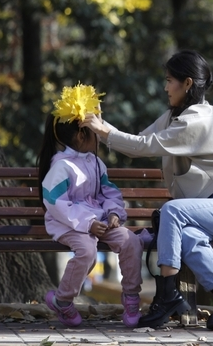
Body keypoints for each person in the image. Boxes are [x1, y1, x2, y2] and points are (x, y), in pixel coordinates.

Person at [80, 50, 213, 330]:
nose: (165, 87)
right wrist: (102, 126)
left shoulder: (198, 121)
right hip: (207, 211)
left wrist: (103, 131)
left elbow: (143, 147)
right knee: (188, 237)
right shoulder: (174, 117)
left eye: (169, 80)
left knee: (172, 210)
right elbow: (139, 141)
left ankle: (166, 296)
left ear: (187, 83)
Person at [37, 84, 144, 328]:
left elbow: (109, 192)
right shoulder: (60, 167)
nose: (101, 132)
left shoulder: (95, 163)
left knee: (132, 241)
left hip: (99, 221)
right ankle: (63, 301)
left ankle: (131, 298)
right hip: (69, 224)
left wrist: (114, 213)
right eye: (96, 128)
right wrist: (88, 223)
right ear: (81, 135)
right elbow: (56, 204)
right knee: (87, 252)